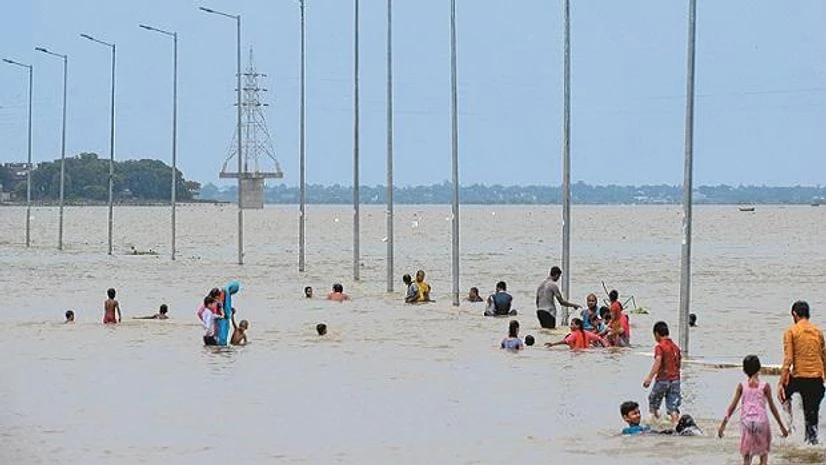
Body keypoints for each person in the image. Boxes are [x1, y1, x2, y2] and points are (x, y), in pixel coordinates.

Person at [719, 355, 788, 465]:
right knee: (763, 455)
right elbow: (772, 407)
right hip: (762, 422)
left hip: (747, 423)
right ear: (759, 368)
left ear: (744, 370)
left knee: (747, 457)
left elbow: (732, 406)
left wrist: (723, 425)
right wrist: (782, 427)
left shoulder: (742, 386)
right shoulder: (765, 386)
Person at [778, 300, 826, 445]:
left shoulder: (791, 332)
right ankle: (812, 443)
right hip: (817, 380)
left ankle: (790, 427)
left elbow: (788, 360)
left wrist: (781, 382)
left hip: (800, 379)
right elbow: (824, 357)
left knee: (783, 395)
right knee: (812, 419)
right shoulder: (818, 332)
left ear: (794, 314)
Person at [643, 321, 682, 423]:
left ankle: (654, 422)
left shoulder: (660, 347)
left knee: (653, 402)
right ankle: (676, 425)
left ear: (656, 334)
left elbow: (658, 361)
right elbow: (678, 364)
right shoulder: (676, 347)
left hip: (663, 379)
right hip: (675, 380)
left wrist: (649, 378)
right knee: (673, 407)